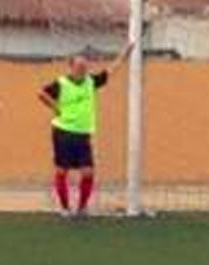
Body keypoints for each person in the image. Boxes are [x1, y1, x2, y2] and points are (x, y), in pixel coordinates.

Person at [36, 40, 135, 218]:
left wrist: (125, 52)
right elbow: (41, 93)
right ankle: (65, 209)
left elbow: (111, 70)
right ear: (71, 67)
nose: (82, 69)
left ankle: (82, 208)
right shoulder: (61, 83)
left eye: (85, 66)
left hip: (83, 134)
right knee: (62, 170)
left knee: (88, 172)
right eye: (79, 66)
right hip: (63, 132)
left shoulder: (91, 82)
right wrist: (56, 107)